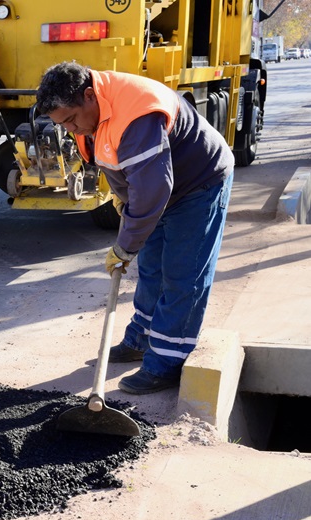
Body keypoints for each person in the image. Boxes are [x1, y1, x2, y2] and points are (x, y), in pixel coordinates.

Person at [36, 61, 233, 395]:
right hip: (161, 184)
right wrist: (122, 198)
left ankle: (166, 361)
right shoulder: (91, 112)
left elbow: (153, 189)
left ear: (89, 95)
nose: (70, 129)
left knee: (183, 274)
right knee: (152, 267)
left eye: (70, 120)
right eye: (62, 124)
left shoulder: (136, 113)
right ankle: (141, 339)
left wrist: (124, 245)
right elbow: (116, 160)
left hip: (199, 183)